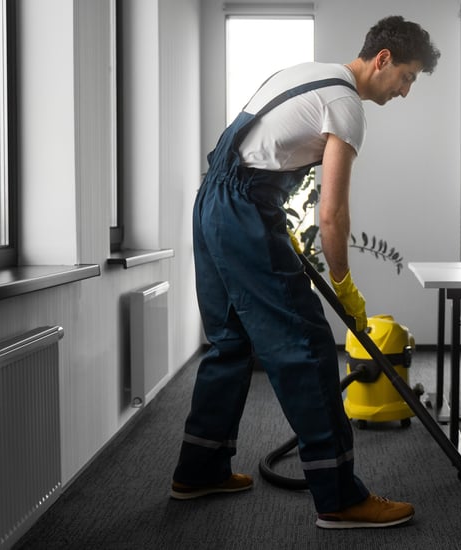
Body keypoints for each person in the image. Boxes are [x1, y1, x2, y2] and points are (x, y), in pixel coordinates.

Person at [171, 15, 440, 529]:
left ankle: (199, 468)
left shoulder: (304, 73)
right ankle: (339, 497)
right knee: (307, 347)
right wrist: (345, 288)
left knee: (230, 341)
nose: (405, 91)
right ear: (382, 60)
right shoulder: (345, 106)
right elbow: (332, 215)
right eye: (407, 77)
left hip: (214, 203)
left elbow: (256, 154)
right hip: (244, 211)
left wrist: (260, 218)